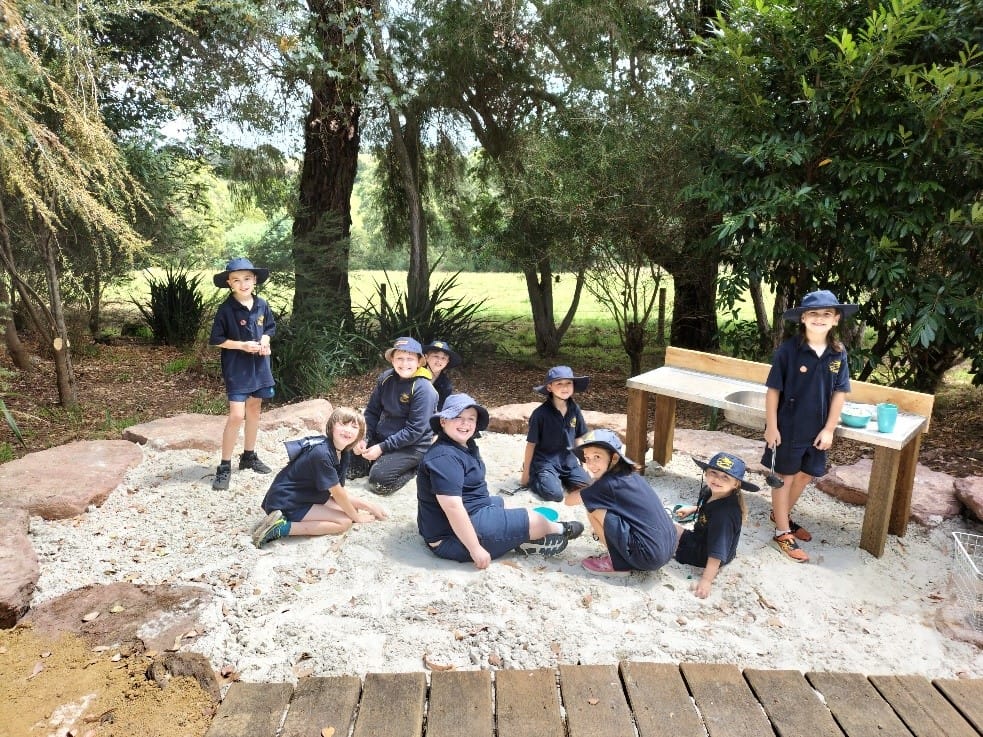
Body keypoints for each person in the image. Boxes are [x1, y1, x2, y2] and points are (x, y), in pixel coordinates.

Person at [417, 393, 584, 569]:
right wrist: (475, 549)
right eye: (458, 417)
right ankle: (560, 529)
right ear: (443, 421)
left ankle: (517, 534)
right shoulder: (444, 457)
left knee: (502, 503)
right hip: (450, 539)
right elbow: (452, 507)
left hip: (470, 510)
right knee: (536, 520)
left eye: (471, 418)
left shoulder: (463, 444)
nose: (465, 423)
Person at [763, 289, 857, 563]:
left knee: (805, 475)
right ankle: (782, 531)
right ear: (803, 318)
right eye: (813, 313)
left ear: (836, 320)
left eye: (827, 314)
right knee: (784, 477)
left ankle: (779, 515)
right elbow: (772, 390)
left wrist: (829, 428)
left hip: (818, 429)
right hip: (788, 427)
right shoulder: (789, 350)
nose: (820, 318)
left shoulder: (838, 353)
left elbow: (840, 392)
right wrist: (772, 426)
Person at [252, 407, 388, 548]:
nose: (348, 430)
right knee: (345, 522)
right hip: (287, 501)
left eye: (354, 427)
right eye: (343, 424)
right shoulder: (322, 454)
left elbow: (338, 491)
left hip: (306, 495)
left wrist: (368, 506)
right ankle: (281, 528)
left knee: (351, 510)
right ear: (331, 426)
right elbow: (337, 493)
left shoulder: (344, 452)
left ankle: (284, 522)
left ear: (359, 435)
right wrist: (357, 517)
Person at [568, 429, 677, 578]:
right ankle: (621, 554)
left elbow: (569, 501)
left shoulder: (607, 484)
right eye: (587, 458)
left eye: (597, 456)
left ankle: (617, 564)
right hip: (667, 549)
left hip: (648, 557)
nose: (591, 464)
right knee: (600, 504)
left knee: (593, 509)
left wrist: (584, 484)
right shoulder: (630, 475)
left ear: (614, 458)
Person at [208, 257, 276, 491]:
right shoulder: (226, 309)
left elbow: (269, 328)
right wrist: (242, 345)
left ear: (255, 279)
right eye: (236, 280)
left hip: (260, 366)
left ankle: (249, 456)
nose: (243, 283)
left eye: (247, 278)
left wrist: (265, 341)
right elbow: (217, 340)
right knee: (237, 415)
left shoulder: (262, 304)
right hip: (237, 367)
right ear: (229, 283)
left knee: (254, 410)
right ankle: (224, 466)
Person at [355, 336, 440, 496]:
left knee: (379, 482)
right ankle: (379, 460)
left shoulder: (423, 389)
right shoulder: (385, 378)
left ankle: (415, 468)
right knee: (350, 467)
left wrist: (382, 448)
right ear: (392, 360)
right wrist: (364, 438)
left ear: (419, 361)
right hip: (384, 436)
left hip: (412, 445)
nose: (404, 363)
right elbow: (372, 412)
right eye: (400, 358)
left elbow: (414, 431)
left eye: (410, 359)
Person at [672, 452, 758, 598]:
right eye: (714, 473)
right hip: (704, 540)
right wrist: (694, 509)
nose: (717, 479)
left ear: (736, 483)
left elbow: (717, 551)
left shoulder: (724, 514)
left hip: (706, 555)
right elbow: (706, 509)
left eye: (725, 477)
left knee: (665, 528)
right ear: (706, 473)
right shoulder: (709, 491)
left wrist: (706, 580)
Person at [521, 366, 592, 502]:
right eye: (559, 383)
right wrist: (525, 475)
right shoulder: (540, 414)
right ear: (549, 388)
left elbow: (578, 438)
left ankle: (564, 479)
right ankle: (536, 474)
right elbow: (531, 444)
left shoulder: (575, 409)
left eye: (568, 383)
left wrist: (585, 465)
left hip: (568, 461)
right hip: (546, 462)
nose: (564, 387)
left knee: (588, 488)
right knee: (555, 495)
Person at [423, 340, 462, 410]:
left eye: (443, 358)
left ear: (447, 362)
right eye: (436, 356)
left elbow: (441, 409)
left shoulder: (445, 385)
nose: (439, 361)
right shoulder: (414, 375)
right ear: (426, 357)